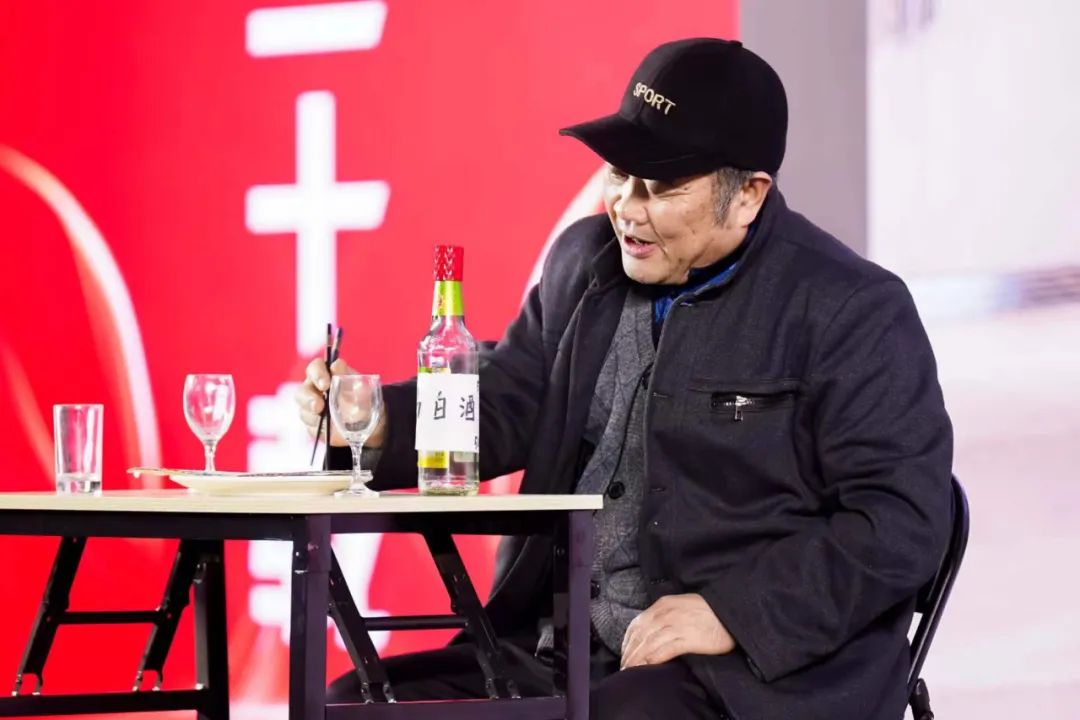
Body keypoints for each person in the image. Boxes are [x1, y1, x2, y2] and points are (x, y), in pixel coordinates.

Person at [296, 37, 954, 720]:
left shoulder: (851, 309)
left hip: (748, 673)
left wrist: (730, 613)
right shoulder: (583, 262)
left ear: (747, 196)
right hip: (560, 650)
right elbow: (508, 401)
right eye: (619, 175)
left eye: (662, 188)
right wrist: (374, 420)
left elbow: (899, 522)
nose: (627, 208)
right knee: (355, 707)